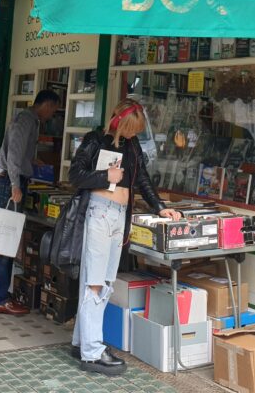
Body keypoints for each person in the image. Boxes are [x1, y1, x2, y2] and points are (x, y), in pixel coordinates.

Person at [68, 98, 182, 375]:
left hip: (120, 215)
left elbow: (142, 177)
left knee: (104, 280)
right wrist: (105, 176)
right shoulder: (95, 140)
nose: (134, 134)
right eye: (130, 128)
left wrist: (160, 206)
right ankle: (92, 353)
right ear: (119, 122)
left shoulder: (132, 145)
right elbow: (76, 175)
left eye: (137, 130)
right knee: (95, 282)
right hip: (99, 212)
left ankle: (83, 341)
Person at [0, 88, 61, 315]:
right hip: (9, 185)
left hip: (14, 181)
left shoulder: (31, 121)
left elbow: (20, 153)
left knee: (9, 242)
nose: (53, 115)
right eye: (54, 109)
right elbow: (13, 156)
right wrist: (15, 185)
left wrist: (33, 160)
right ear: (47, 105)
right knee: (4, 243)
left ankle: (2, 295)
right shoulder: (25, 120)